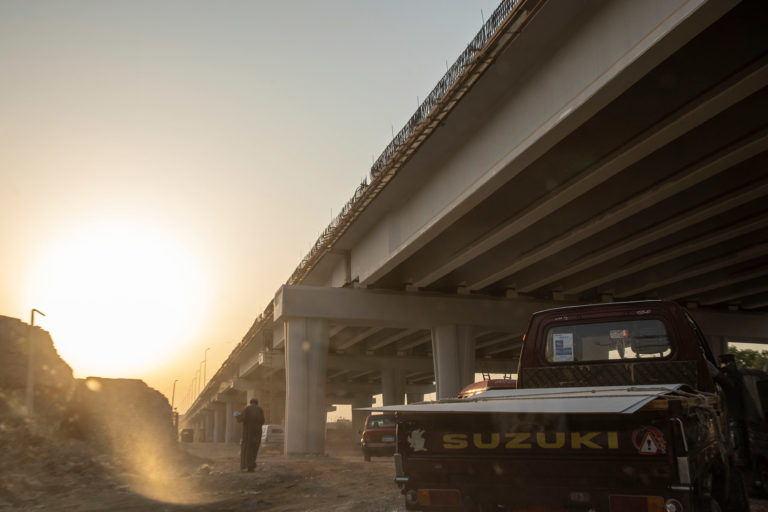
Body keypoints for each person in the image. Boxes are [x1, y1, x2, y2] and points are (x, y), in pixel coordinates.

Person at [235, 398, 265, 472]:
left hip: (248, 433)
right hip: (257, 433)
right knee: (254, 449)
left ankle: (246, 466)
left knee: (247, 449)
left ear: (250, 402)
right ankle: (252, 466)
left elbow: (242, 418)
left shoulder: (247, 409)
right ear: (257, 403)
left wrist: (237, 416)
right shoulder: (260, 410)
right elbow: (262, 421)